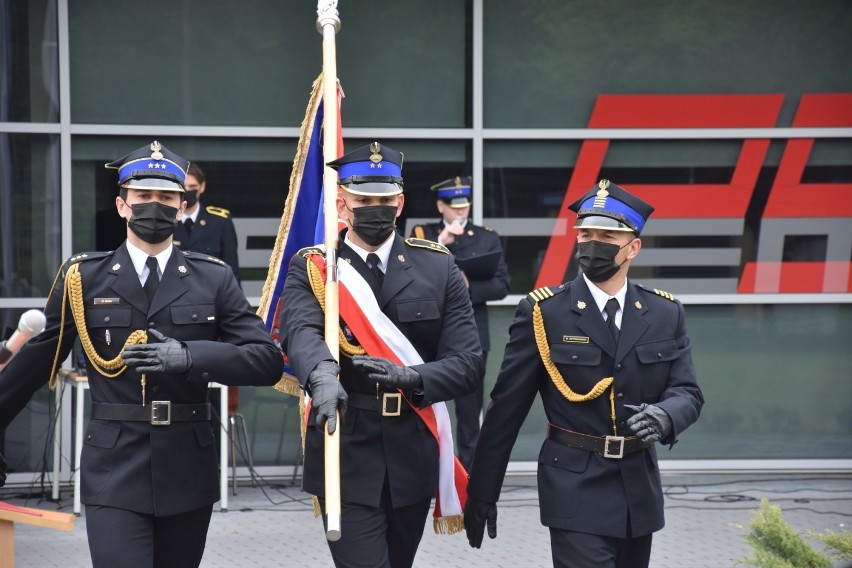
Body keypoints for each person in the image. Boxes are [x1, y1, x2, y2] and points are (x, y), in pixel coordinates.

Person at [0, 141, 283, 568]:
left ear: (181, 203)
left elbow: (266, 360)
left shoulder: (213, 277)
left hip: (187, 462)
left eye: (167, 197)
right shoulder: (84, 278)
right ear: (122, 205)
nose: (155, 206)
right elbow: (35, 364)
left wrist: (191, 354)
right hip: (115, 463)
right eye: (143, 197)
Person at [464, 179, 704, 568]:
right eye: (586, 234)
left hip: (637, 488)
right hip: (574, 485)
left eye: (607, 235)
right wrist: (482, 492)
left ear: (633, 247)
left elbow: (688, 391)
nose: (593, 244)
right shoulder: (545, 312)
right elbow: (506, 409)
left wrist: (666, 416)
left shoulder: (664, 312)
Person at [280, 142, 484, 568]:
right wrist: (321, 376)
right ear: (342, 202)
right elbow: (300, 332)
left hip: (413, 445)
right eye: (363, 199)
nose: (375, 208)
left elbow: (468, 362)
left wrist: (414, 378)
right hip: (346, 441)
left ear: (400, 201)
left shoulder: (437, 267)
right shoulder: (316, 267)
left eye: (384, 200)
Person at [410, 176, 509, 470]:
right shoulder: (422, 233)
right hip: (429, 332)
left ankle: (468, 476)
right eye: (454, 208)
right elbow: (411, 272)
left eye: (464, 207)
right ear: (441, 206)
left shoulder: (486, 236)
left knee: (470, 414)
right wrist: (441, 243)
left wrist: (468, 287)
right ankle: (426, 473)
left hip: (471, 335)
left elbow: (502, 285)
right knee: (424, 405)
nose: (460, 213)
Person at [173, 162, 241, 283]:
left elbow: (232, 270)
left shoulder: (220, 222)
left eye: (192, 187)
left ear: (202, 187)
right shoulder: (165, 219)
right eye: (183, 187)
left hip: (210, 296)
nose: (187, 191)